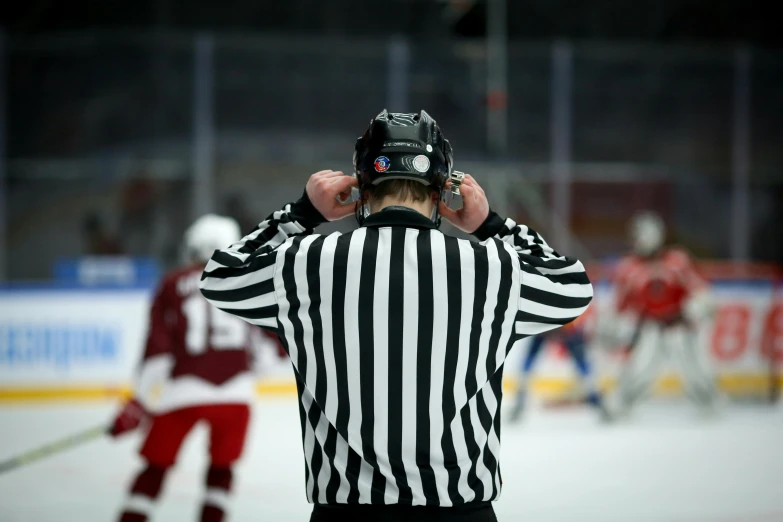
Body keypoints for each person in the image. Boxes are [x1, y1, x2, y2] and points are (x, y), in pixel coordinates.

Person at [199, 110, 592, 522]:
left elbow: (219, 277)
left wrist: (300, 214)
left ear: (361, 187)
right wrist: (493, 225)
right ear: (442, 189)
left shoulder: (304, 261)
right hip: (459, 510)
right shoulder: (492, 265)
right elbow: (573, 287)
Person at [110, 214, 267, 522]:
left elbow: (156, 354)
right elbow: (266, 353)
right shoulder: (249, 281)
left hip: (181, 395)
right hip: (237, 397)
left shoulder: (171, 284)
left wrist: (139, 401)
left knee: (155, 467)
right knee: (222, 469)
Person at [609, 211, 717, 416]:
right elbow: (621, 303)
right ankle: (624, 405)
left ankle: (709, 402)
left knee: (694, 370)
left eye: (638, 234)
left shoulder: (677, 261)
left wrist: (700, 305)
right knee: (640, 370)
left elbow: (699, 289)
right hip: (650, 327)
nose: (635, 240)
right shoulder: (628, 267)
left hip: (680, 326)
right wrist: (613, 323)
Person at [508, 311, 610, 423]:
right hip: (550, 324)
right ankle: (519, 402)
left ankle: (597, 401)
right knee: (528, 363)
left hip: (559, 324)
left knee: (583, 365)